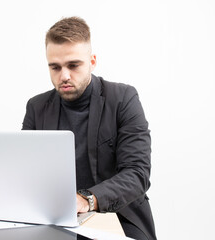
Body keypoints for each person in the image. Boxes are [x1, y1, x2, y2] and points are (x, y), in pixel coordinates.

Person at [22, 17, 157, 240]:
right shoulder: (36, 107)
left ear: (92, 61)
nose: (64, 76)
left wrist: (86, 199)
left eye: (73, 65)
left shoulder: (123, 99)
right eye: (55, 67)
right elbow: (26, 171)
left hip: (118, 215)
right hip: (57, 220)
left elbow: (137, 173)